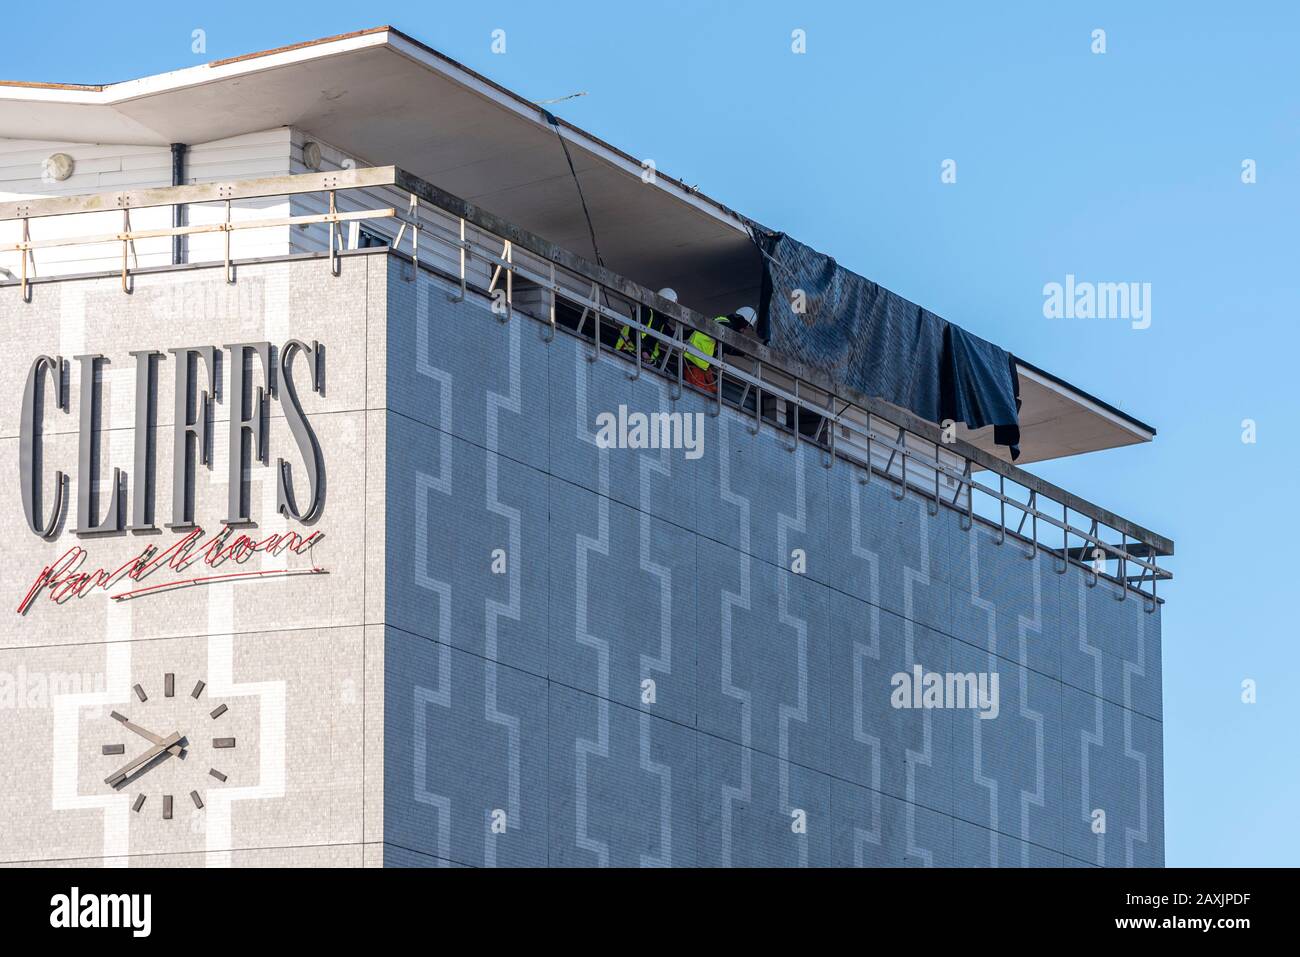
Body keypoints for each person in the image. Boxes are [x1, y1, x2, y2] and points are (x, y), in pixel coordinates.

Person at [616, 287, 677, 366]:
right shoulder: (646, 311)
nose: (670, 311)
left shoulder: (661, 321)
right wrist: (643, 351)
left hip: (644, 360)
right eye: (669, 307)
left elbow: (674, 335)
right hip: (627, 352)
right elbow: (633, 331)